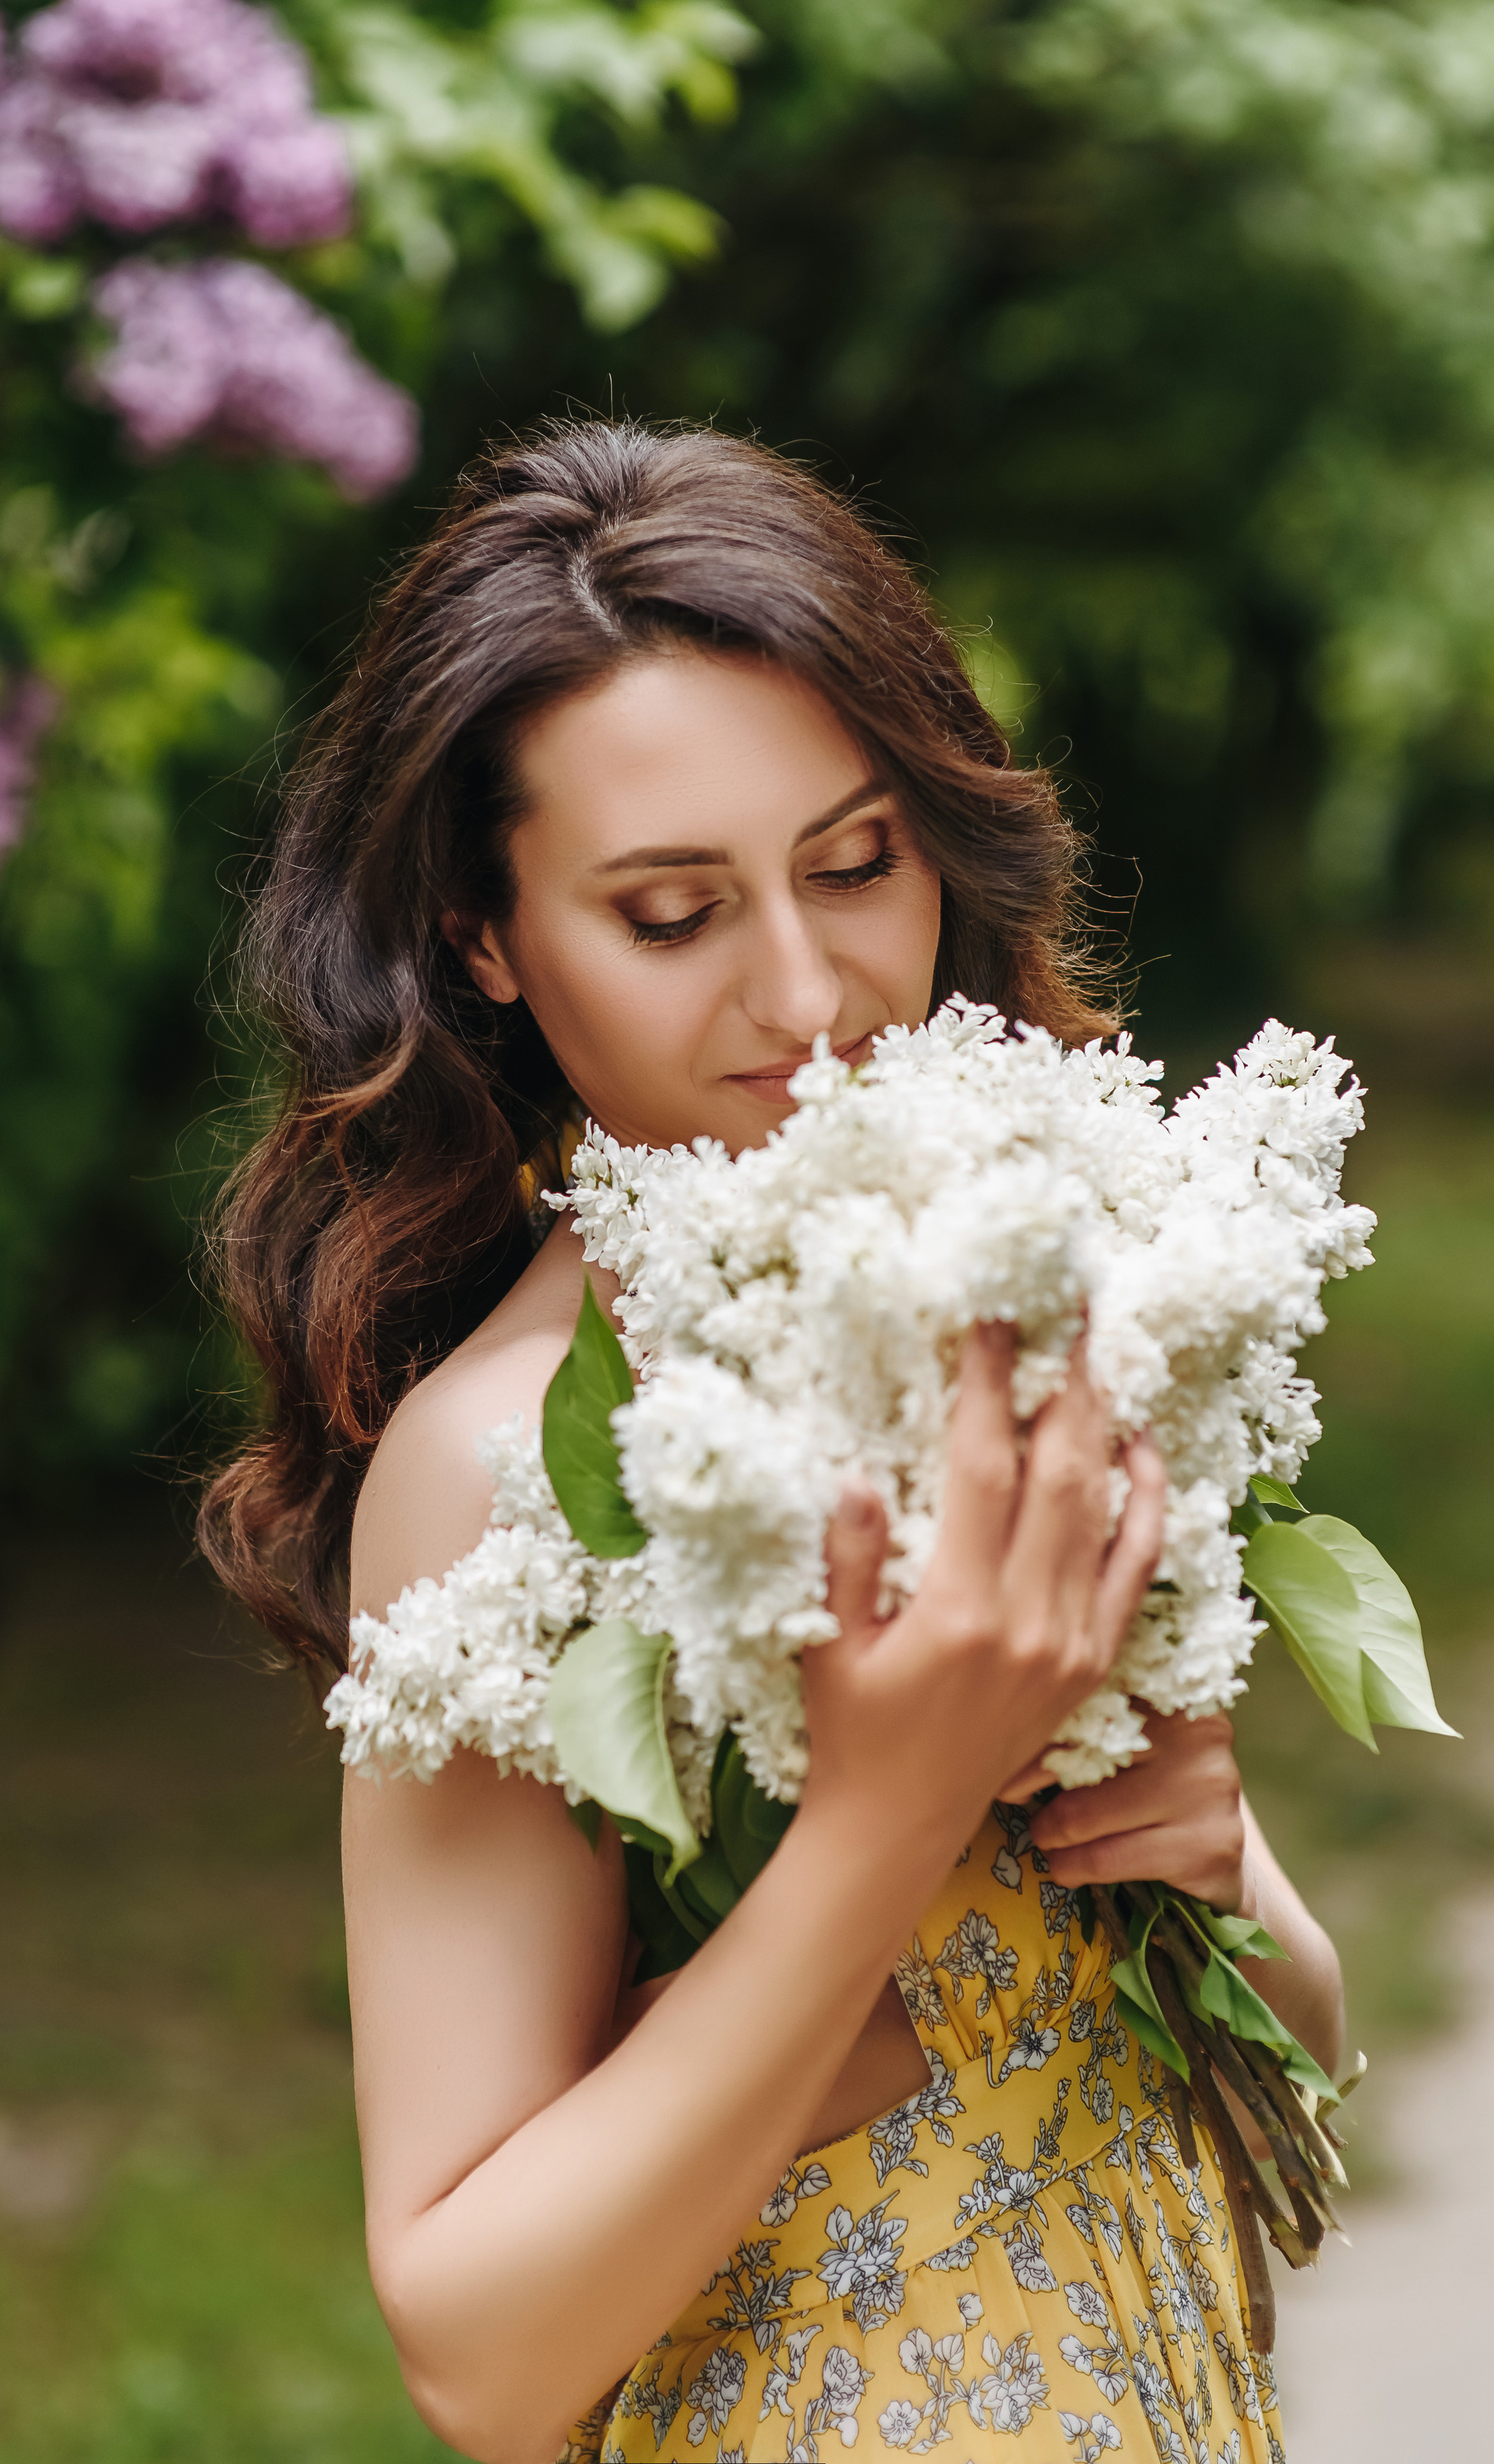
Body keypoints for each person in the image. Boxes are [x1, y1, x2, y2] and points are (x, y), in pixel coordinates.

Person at [200, 419, 1342, 2464]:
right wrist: (884, 1820)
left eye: (852, 863)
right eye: (668, 912)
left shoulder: (1031, 1302)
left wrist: (1213, 1873)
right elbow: (478, 2352)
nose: (809, 993)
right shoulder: (501, 1475)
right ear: (484, 934)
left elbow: (1283, 2060)